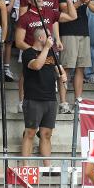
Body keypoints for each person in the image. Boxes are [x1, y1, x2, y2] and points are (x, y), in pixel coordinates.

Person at [21, 28, 66, 161]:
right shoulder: (28, 53)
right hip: (33, 98)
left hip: (50, 98)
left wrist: (62, 74)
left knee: (46, 134)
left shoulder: (52, 53)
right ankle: (25, 167)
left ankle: (47, 167)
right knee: (30, 132)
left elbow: (60, 70)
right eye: (49, 36)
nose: (51, 38)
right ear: (41, 38)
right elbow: (37, 66)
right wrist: (46, 49)